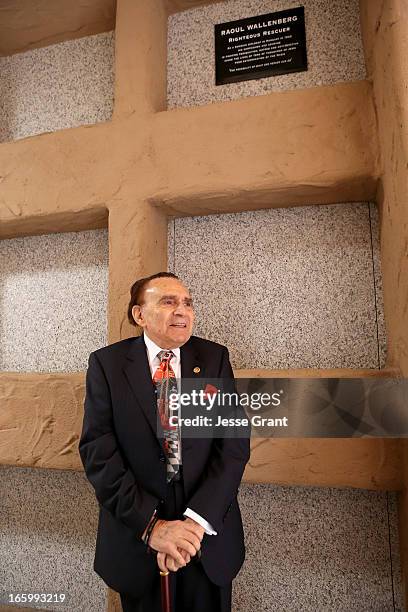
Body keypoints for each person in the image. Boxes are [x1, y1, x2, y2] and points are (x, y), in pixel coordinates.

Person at [79, 272, 250, 612]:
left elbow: (232, 445)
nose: (182, 311)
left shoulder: (213, 358)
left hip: (205, 539)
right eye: (168, 302)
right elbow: (98, 451)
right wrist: (151, 526)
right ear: (139, 314)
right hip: (138, 538)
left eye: (187, 303)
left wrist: (195, 523)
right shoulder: (108, 365)